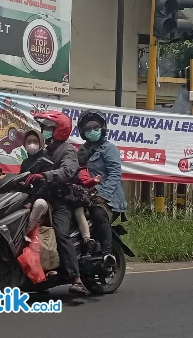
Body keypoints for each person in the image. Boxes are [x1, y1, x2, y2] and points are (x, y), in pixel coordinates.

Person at [26, 110, 87, 295]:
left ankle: (76, 279)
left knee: (61, 234)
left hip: (62, 200)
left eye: (47, 127)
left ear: (59, 129)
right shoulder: (45, 150)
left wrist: (45, 175)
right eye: (43, 127)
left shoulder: (67, 150)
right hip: (44, 198)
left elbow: (67, 172)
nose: (43, 130)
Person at [77, 109, 127, 270]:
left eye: (96, 127)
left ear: (103, 128)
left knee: (98, 214)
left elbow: (115, 174)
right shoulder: (82, 151)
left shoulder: (108, 148)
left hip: (109, 199)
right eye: (88, 128)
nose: (92, 131)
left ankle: (107, 254)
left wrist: (103, 195)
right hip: (87, 195)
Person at [19, 129, 51, 237]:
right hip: (26, 198)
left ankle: (24, 234)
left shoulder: (46, 160)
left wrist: (31, 202)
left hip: (44, 201)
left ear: (41, 143)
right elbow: (20, 181)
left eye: (35, 141)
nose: (32, 144)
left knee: (39, 204)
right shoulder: (25, 163)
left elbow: (46, 186)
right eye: (28, 142)